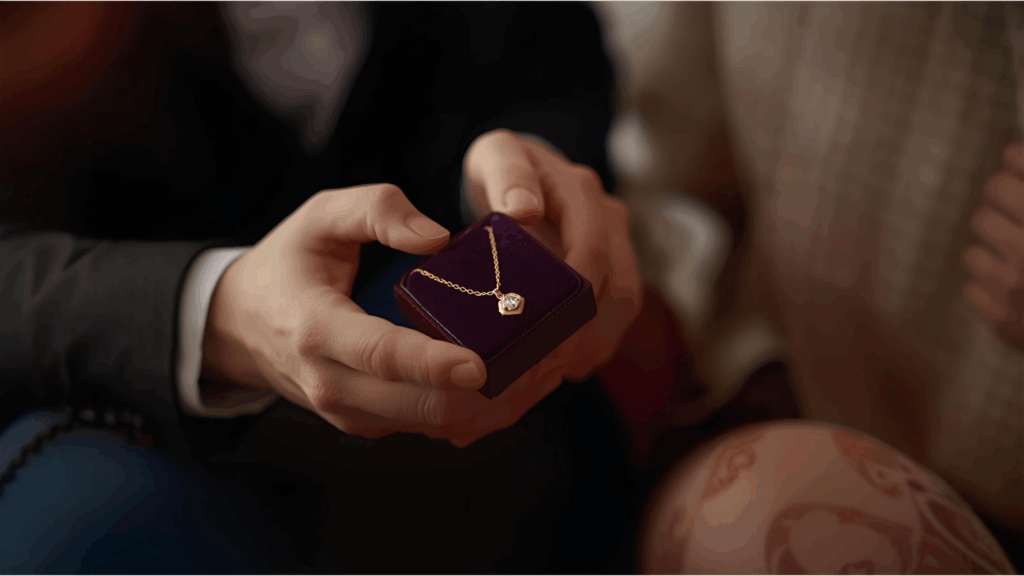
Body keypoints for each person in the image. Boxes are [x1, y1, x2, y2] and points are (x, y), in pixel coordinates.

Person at [0, 3, 642, 573]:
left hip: (495, 444)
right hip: (123, 438)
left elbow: (542, 52)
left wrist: (525, 170)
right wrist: (213, 309)